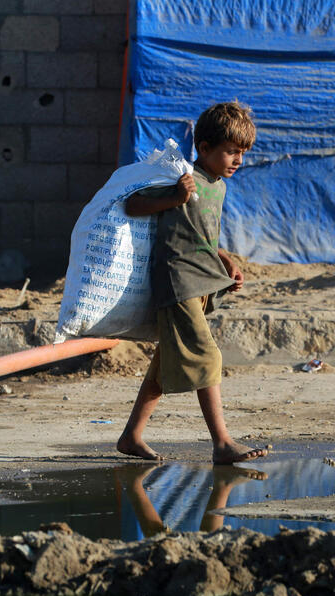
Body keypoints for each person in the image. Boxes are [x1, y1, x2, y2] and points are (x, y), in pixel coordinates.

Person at [116, 101, 268, 464]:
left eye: (243, 153)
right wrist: (174, 196)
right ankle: (222, 443)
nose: (238, 161)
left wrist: (225, 262)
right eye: (231, 151)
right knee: (207, 356)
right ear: (203, 147)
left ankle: (131, 436)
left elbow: (204, 237)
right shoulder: (184, 181)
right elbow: (132, 205)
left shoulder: (218, 187)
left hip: (199, 283)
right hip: (177, 283)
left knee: (163, 366)